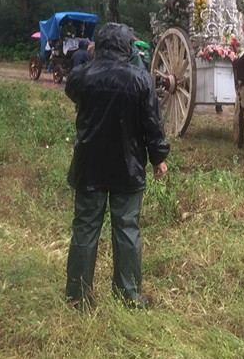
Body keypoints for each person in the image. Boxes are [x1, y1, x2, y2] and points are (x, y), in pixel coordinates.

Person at [65, 22, 169, 310]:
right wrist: (158, 158)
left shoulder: (81, 76)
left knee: (85, 229)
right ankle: (128, 294)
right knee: (126, 230)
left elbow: (73, 92)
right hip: (128, 166)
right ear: (127, 47)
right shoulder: (140, 79)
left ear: (100, 45)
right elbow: (152, 124)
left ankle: (77, 296)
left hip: (89, 166)